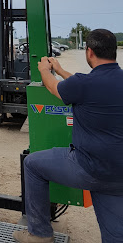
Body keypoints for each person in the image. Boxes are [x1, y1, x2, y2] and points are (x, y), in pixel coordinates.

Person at [13, 29, 123, 243]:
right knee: (115, 235)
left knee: (32, 164)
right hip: (118, 174)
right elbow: (78, 86)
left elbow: (54, 87)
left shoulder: (84, 85)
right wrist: (61, 69)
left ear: (89, 52)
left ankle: (39, 235)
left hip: (89, 168)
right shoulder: (99, 82)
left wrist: (45, 69)